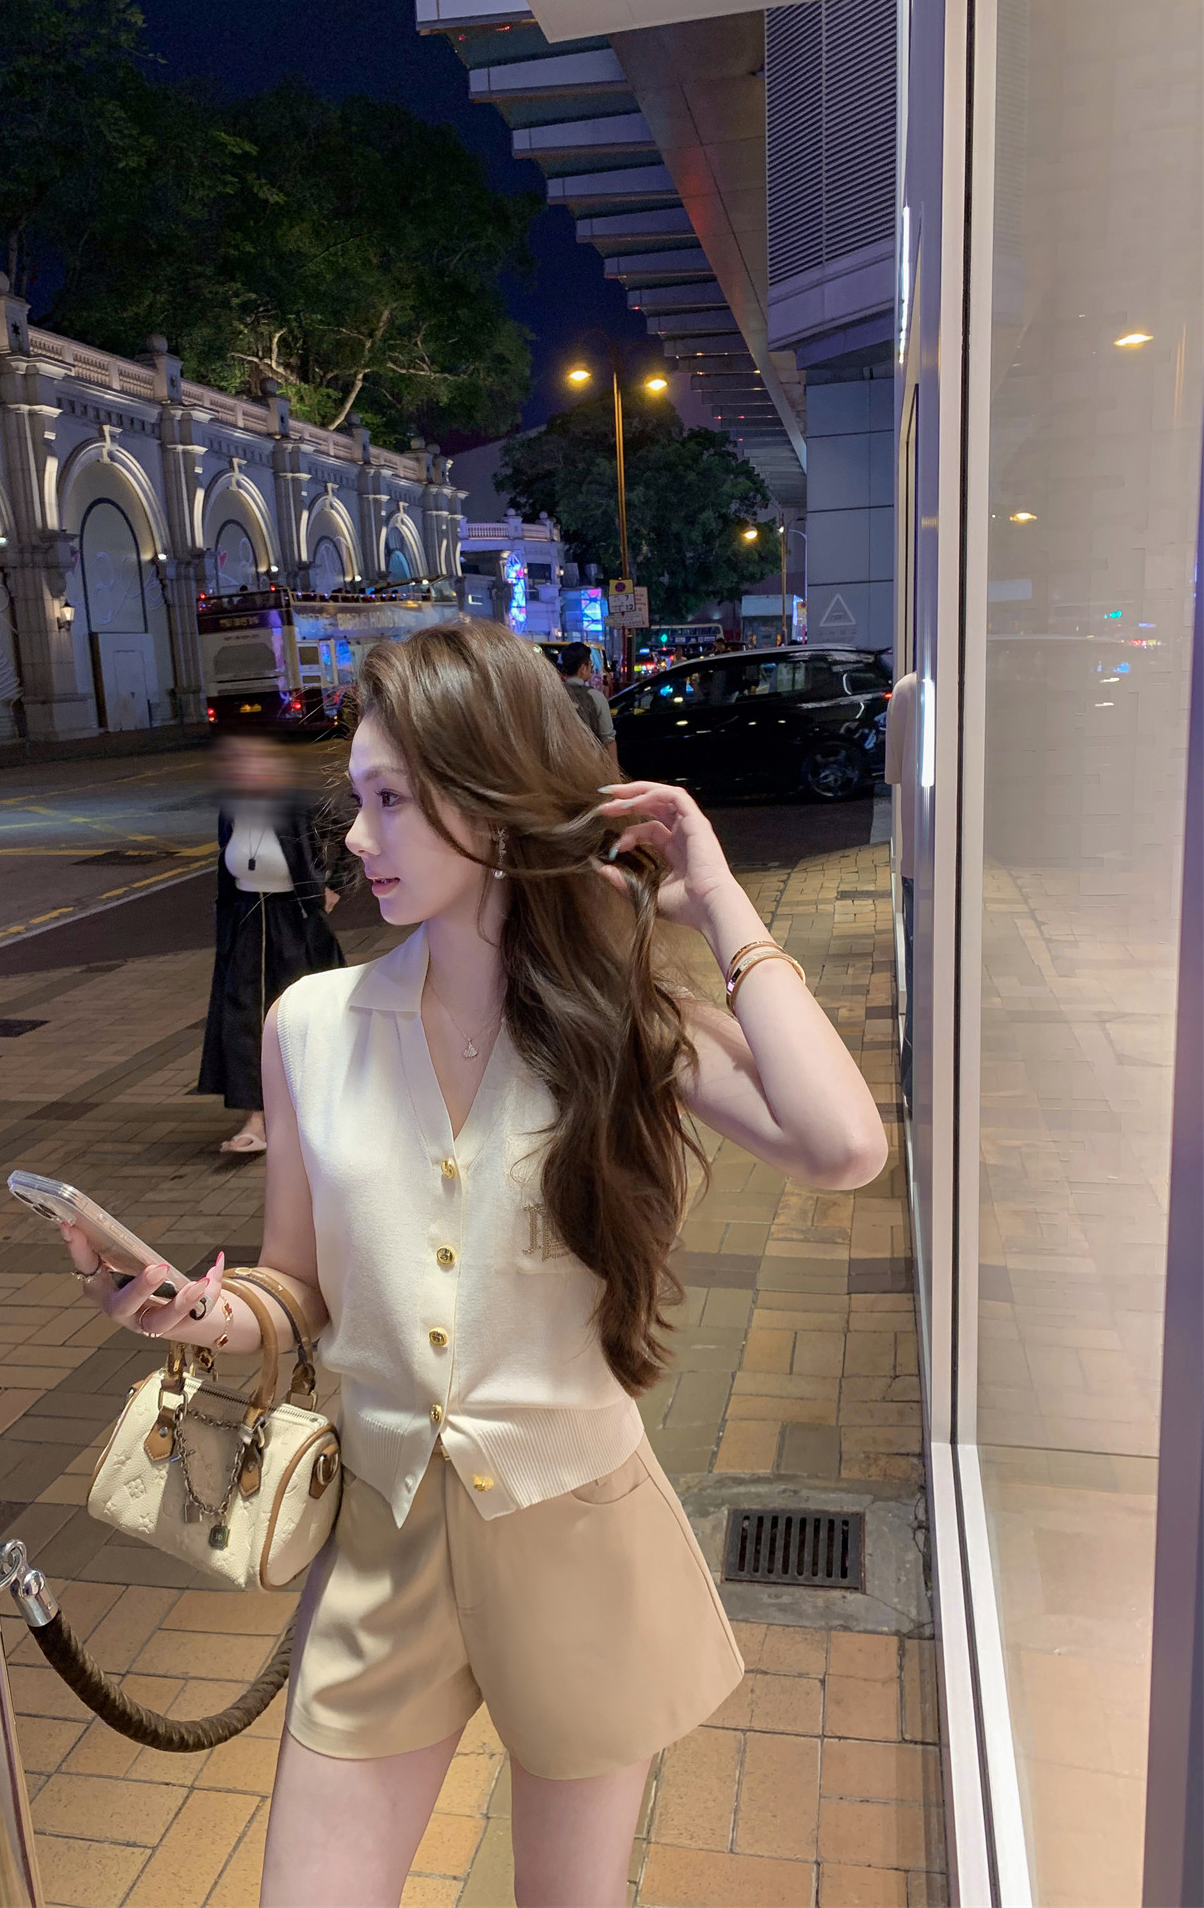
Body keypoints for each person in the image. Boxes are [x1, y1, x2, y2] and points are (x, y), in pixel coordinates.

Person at [62, 623, 887, 1907]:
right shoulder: (310, 1027)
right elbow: (294, 1287)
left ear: (493, 801)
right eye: (358, 799)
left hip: (579, 1535)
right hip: (379, 1541)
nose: (356, 837)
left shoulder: (622, 1024)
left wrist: (721, 900)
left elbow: (842, 1147)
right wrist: (201, 1313)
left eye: (393, 800)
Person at [198, 733, 347, 1155]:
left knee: (300, 1017)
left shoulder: (298, 803)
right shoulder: (231, 808)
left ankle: (316, 1109)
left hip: (293, 921)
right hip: (247, 920)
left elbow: (349, 838)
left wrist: (334, 887)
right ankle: (256, 1120)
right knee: (244, 1019)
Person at [883, 670, 918, 1108]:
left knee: (921, 976)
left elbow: (894, 772)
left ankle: (915, 1081)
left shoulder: (909, 690)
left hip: (918, 863)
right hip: (957, 867)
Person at [559, 640, 617, 762]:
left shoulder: (552, 695)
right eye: (590, 665)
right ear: (583, 668)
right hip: (589, 766)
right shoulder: (595, 697)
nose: (591, 669)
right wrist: (614, 770)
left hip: (559, 765)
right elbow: (608, 740)